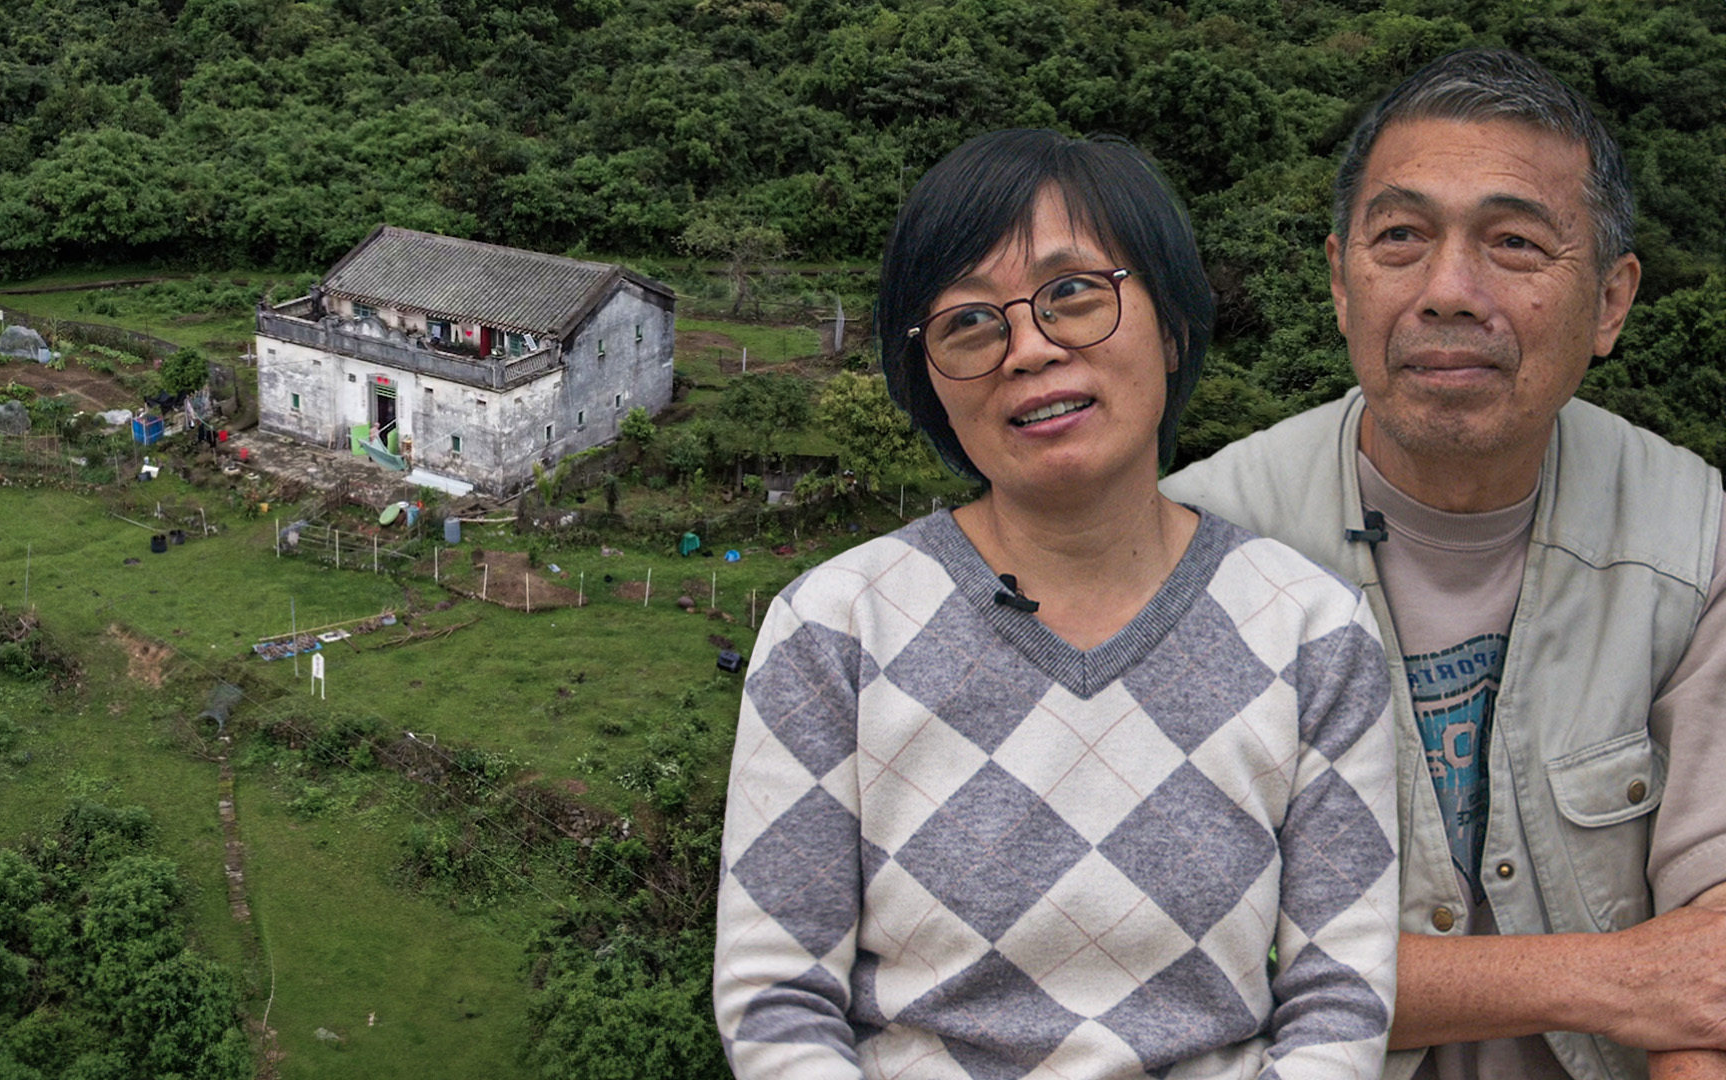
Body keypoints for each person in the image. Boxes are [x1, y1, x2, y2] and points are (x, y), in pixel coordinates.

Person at [715, 129, 1400, 1079]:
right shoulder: (834, 629)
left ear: (1169, 323)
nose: (1029, 349)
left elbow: (1341, 1002)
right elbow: (777, 998)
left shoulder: (1310, 631)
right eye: (969, 325)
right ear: (931, 387)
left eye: (1073, 293)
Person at [1160, 48, 1726, 1080]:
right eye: (1403, 238)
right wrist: (1610, 979)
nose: (1449, 291)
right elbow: (1179, 970)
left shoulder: (1694, 533)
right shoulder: (1194, 549)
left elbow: (1711, 956)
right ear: (1342, 283)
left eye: (1513, 242)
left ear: (1610, 301)